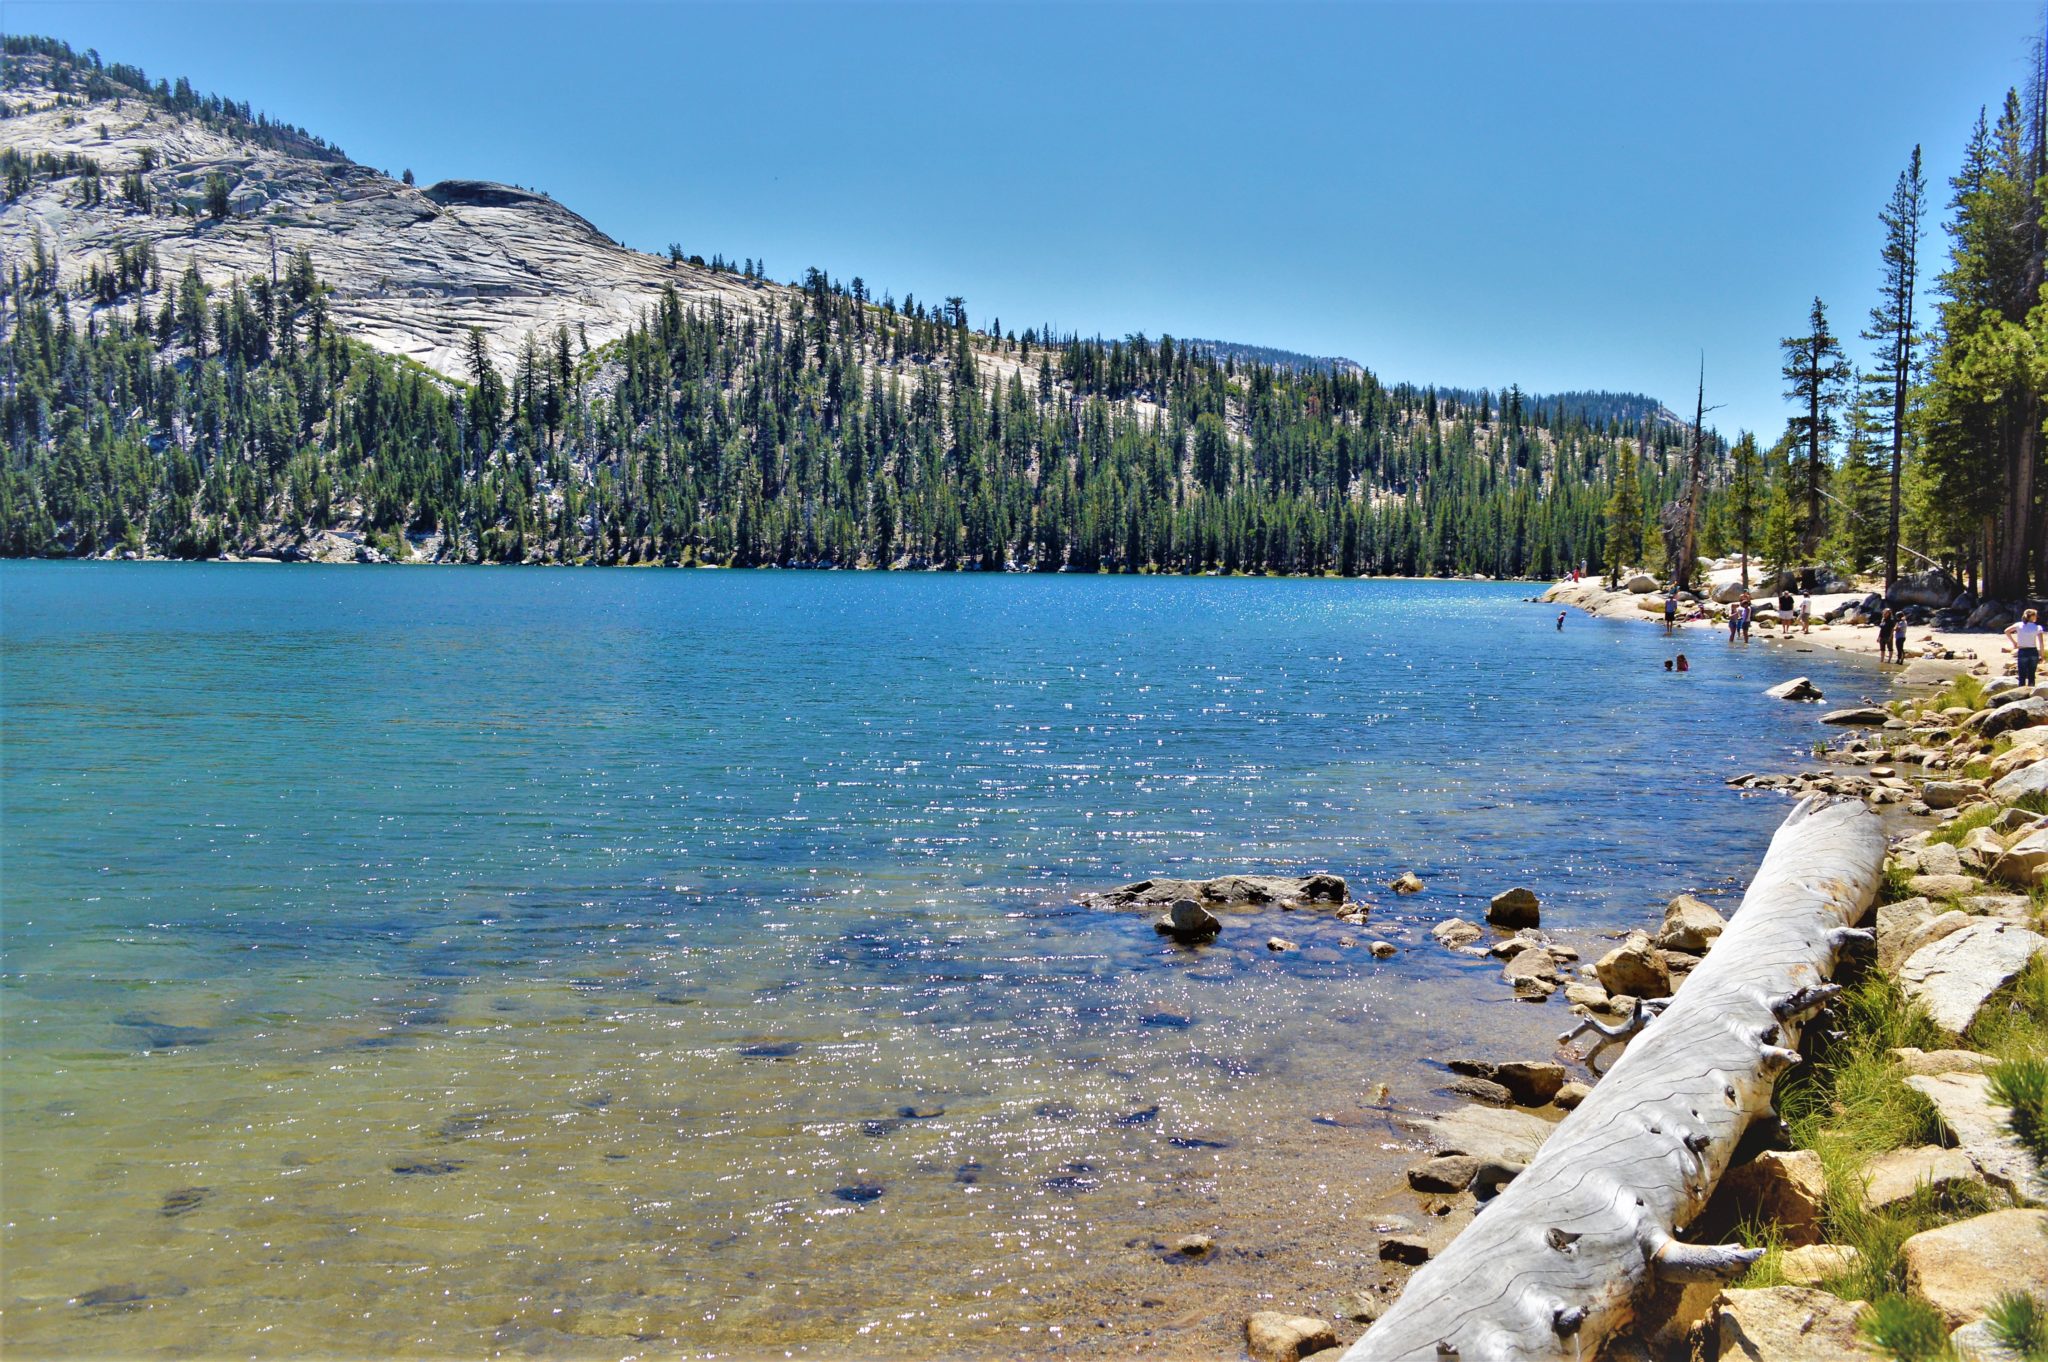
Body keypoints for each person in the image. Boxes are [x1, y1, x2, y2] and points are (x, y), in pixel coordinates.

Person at [2006, 608, 2043, 686]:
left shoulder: (2018, 625)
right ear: (2032, 616)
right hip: (2033, 651)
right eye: (2036, 615)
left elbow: (2006, 631)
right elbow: (2041, 643)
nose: (2037, 617)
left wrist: (2014, 642)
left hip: (2022, 651)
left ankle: (2021, 692)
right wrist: (2041, 655)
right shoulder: (2038, 627)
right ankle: (2031, 692)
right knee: (2031, 675)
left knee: (2022, 675)